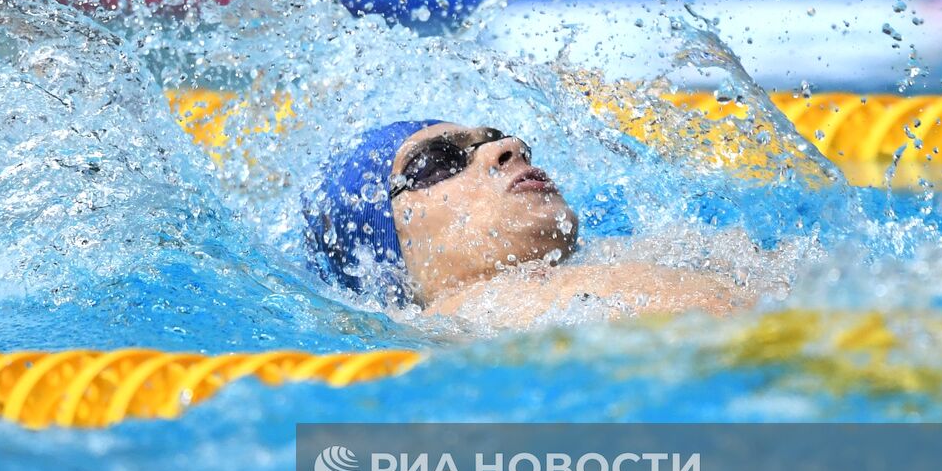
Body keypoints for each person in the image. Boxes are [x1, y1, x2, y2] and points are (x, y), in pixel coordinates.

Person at [303, 120, 757, 327]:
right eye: (437, 161)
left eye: (496, 138)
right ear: (383, 254)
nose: (509, 147)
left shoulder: (628, 257)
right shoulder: (469, 315)